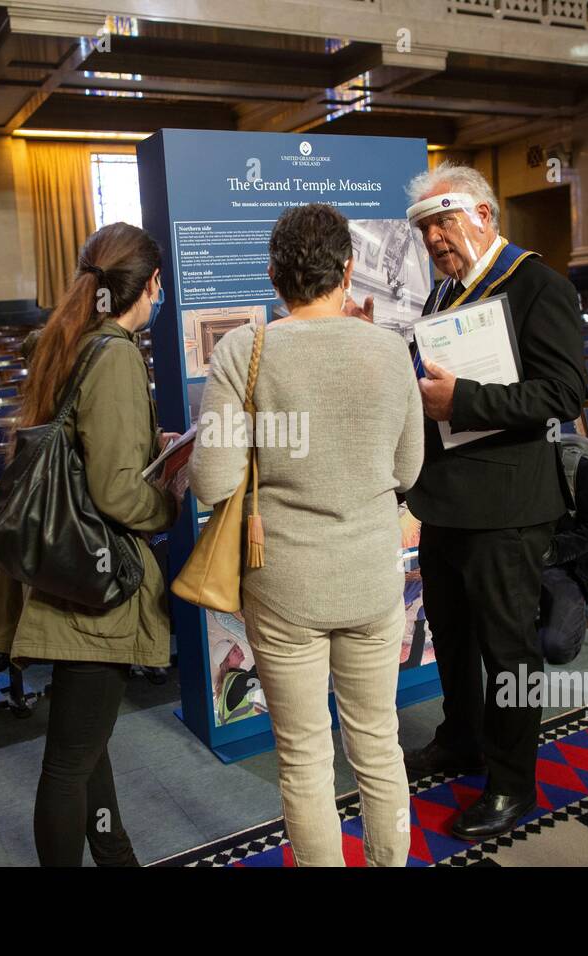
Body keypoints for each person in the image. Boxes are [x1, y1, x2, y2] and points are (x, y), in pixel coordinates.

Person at [189, 203, 425, 867]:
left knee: (303, 756)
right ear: (348, 270)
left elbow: (211, 483)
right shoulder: (386, 348)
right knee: (378, 744)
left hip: (285, 584)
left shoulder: (245, 348)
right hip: (374, 577)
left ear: (273, 275)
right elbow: (409, 470)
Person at [0, 222, 184, 866]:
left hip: (58, 569)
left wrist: (147, 445)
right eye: (158, 285)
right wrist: (168, 500)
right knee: (69, 762)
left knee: (84, 743)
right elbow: (119, 493)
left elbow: (81, 448)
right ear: (149, 285)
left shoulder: (67, 339)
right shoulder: (115, 352)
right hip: (96, 582)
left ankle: (117, 856)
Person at [393, 162, 586, 841]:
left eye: (445, 220)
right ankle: (462, 738)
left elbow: (563, 394)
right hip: (445, 503)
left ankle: (511, 782)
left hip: (508, 507)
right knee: (450, 636)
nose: (436, 237)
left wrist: (465, 400)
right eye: (425, 228)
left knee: (508, 652)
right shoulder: (443, 295)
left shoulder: (537, 284)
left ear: (484, 217)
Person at [538, 455, 588, 665]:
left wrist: (554, 550)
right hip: (509, 562)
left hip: (562, 566)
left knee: (557, 647)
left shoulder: (576, 466)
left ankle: (586, 602)